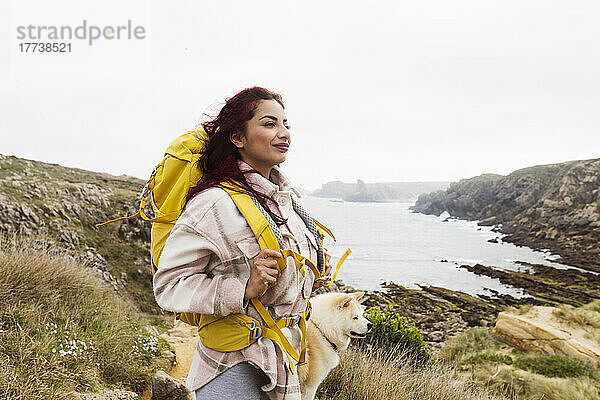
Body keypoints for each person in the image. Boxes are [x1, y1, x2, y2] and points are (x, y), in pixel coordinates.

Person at [152, 86, 332, 400]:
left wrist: (311, 269)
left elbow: (280, 273)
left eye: (286, 124)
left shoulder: (287, 202)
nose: (284, 133)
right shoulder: (213, 203)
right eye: (269, 124)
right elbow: (168, 286)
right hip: (232, 368)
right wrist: (244, 287)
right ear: (238, 137)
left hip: (284, 363)